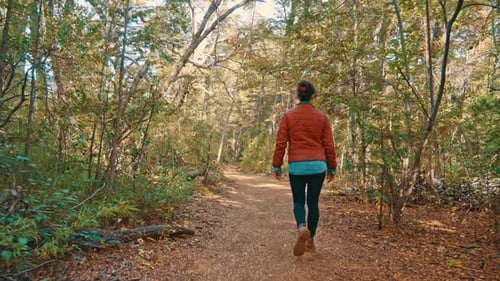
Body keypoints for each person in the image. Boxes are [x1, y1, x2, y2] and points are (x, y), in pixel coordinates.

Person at [272, 80, 337, 256]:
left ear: (297, 96)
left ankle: (302, 227)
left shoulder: (288, 116)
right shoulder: (322, 117)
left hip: (297, 166)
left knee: (299, 201)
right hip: (318, 166)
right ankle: (311, 240)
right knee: (313, 203)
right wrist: (332, 167)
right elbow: (329, 145)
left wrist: (276, 165)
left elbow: (281, 143)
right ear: (313, 96)